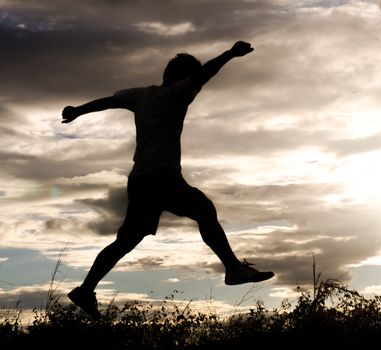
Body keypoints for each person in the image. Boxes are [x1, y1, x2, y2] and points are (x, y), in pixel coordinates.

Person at [62, 41, 274, 319]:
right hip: (162, 177)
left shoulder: (140, 95)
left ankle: (85, 289)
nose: (195, 90)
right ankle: (233, 269)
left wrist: (78, 110)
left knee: (126, 241)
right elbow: (204, 74)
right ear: (184, 78)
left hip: (139, 181)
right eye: (192, 82)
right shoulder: (178, 93)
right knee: (203, 209)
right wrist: (230, 54)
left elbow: (109, 102)